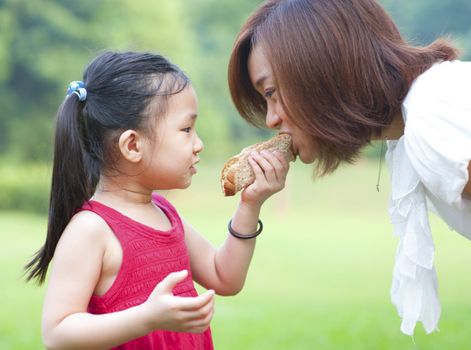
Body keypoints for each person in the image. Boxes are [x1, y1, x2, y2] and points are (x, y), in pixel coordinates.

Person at [227, 0, 471, 342]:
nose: (271, 119)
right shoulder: (415, 123)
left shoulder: (437, 119)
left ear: (317, 69)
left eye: (271, 93)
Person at [24, 51, 290, 349]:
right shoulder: (91, 230)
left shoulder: (165, 212)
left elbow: (224, 276)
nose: (199, 144)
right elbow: (57, 333)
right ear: (133, 145)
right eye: (186, 129)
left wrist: (249, 205)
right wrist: (147, 317)